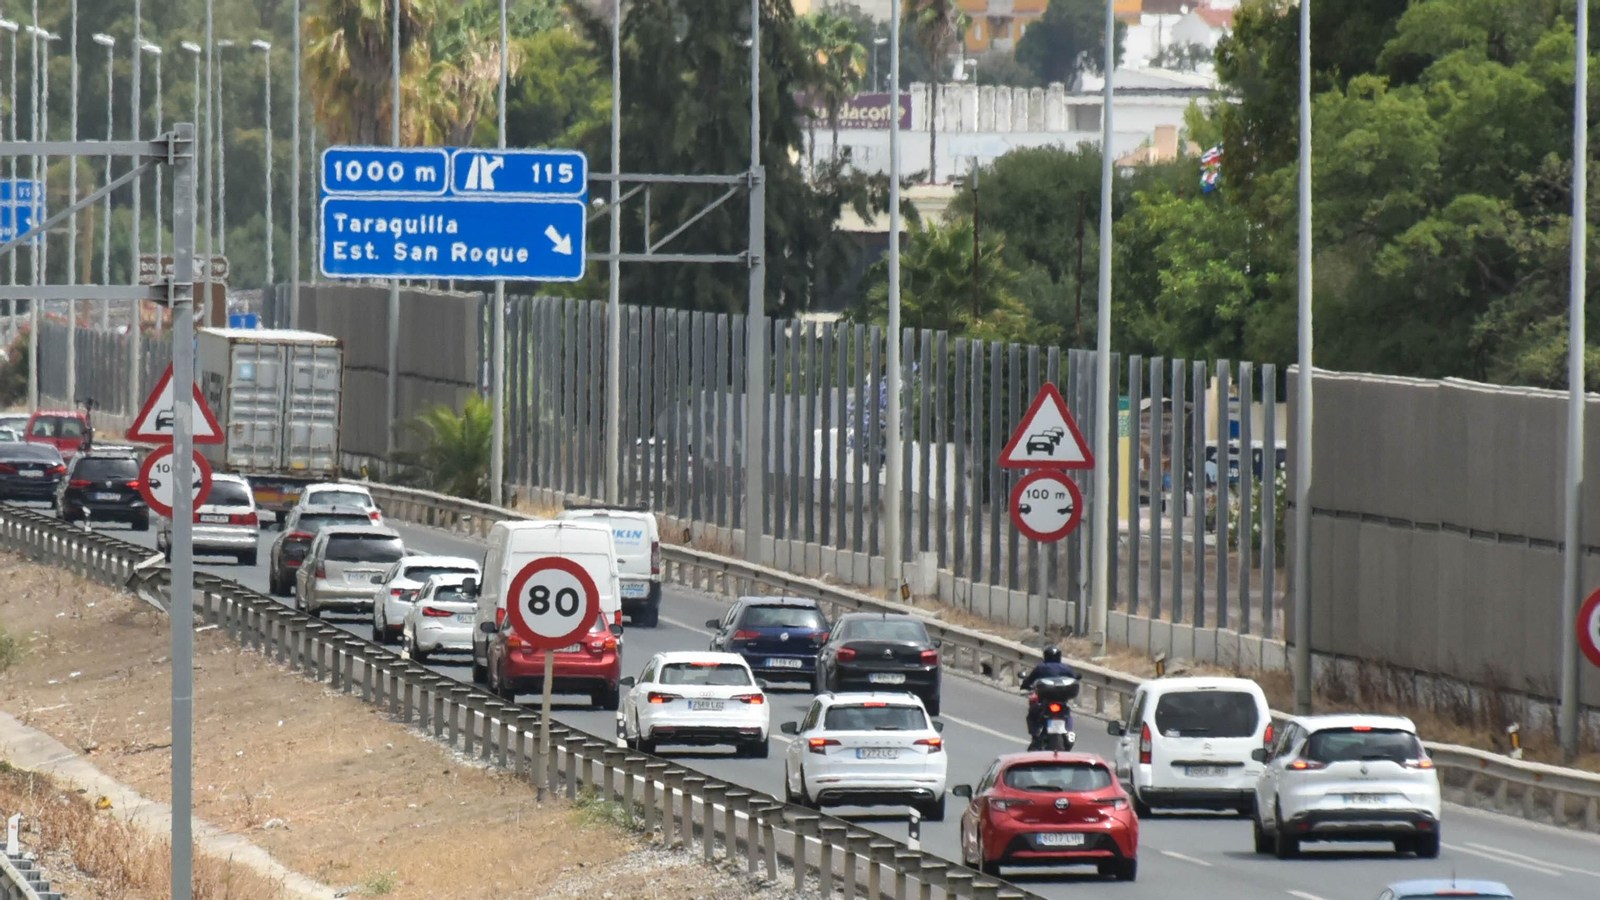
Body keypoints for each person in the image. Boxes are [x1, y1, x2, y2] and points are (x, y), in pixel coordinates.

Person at [1021, 646, 1079, 745]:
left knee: (1032, 713)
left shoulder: (1041, 667)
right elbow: (1075, 677)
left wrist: (1025, 685)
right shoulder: (1065, 667)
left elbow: (1029, 680)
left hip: (1045, 700)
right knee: (1067, 713)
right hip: (1061, 699)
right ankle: (1069, 732)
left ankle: (1035, 734)